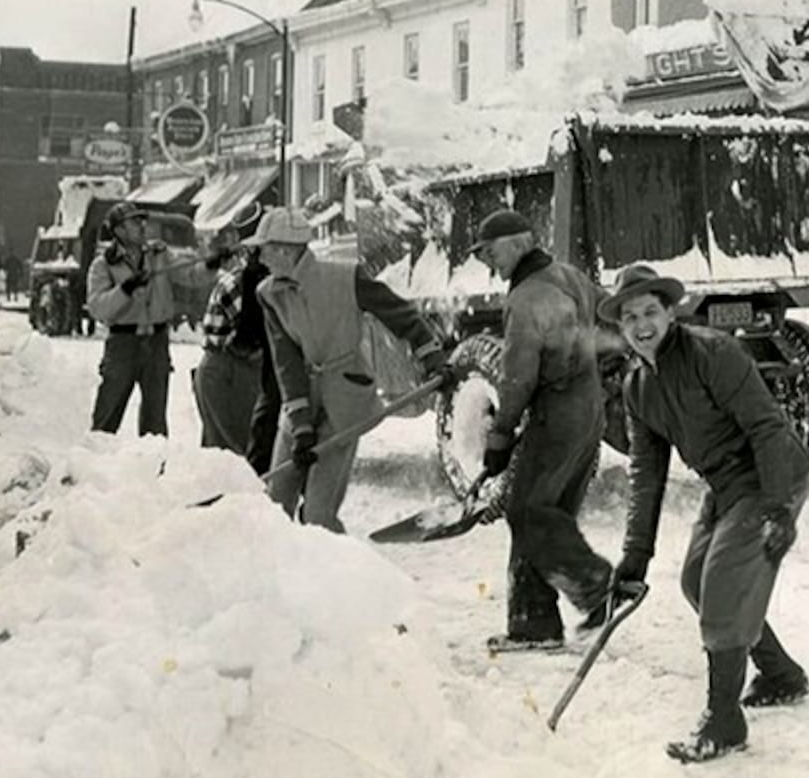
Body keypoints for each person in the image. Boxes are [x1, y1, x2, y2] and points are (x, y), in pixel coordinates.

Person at [607, 263, 809, 765]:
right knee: (697, 581)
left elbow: (767, 428)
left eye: (650, 311)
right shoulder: (638, 389)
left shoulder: (713, 353)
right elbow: (647, 475)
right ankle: (782, 674)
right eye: (630, 316)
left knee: (723, 581)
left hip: (770, 474)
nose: (641, 325)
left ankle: (724, 721)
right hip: (724, 486)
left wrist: (781, 509)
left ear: (670, 312)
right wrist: (634, 557)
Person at [251, 206, 450, 532]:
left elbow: (402, 316)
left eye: (265, 249)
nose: (260, 258)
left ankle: (338, 575)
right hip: (300, 398)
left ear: (286, 249)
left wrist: (431, 356)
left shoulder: (346, 277)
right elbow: (285, 361)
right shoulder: (268, 294)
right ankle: (278, 576)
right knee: (275, 504)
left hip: (345, 399)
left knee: (318, 515)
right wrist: (300, 426)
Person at [471, 207, 614, 652]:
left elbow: (518, 377)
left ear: (518, 242)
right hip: (589, 406)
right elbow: (607, 321)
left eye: (490, 252)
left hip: (558, 409)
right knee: (550, 510)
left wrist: (499, 437)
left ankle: (596, 587)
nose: (488, 263)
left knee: (527, 510)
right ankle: (535, 623)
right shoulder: (569, 275)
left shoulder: (526, 297)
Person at [86, 203, 179, 436]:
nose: (141, 226)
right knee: (107, 415)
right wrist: (124, 290)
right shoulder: (104, 264)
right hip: (123, 345)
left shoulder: (159, 255)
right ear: (119, 230)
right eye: (134, 222)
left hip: (156, 342)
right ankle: (94, 466)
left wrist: (211, 264)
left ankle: (153, 467)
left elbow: (189, 274)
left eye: (141, 221)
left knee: (155, 421)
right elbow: (98, 307)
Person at [194, 218, 272, 458]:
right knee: (227, 452)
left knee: (256, 448)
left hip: (257, 371)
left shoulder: (284, 284)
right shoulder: (235, 285)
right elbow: (216, 340)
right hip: (226, 372)